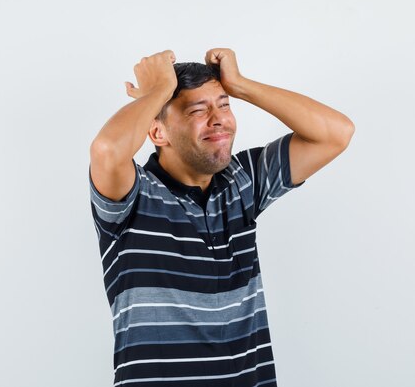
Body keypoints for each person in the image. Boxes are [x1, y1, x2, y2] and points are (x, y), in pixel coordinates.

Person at [89, 48, 354, 387]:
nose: (220, 119)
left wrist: (240, 85)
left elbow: (336, 133)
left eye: (225, 105)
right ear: (158, 133)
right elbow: (107, 150)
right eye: (199, 110)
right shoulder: (133, 194)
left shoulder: (243, 181)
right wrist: (158, 91)